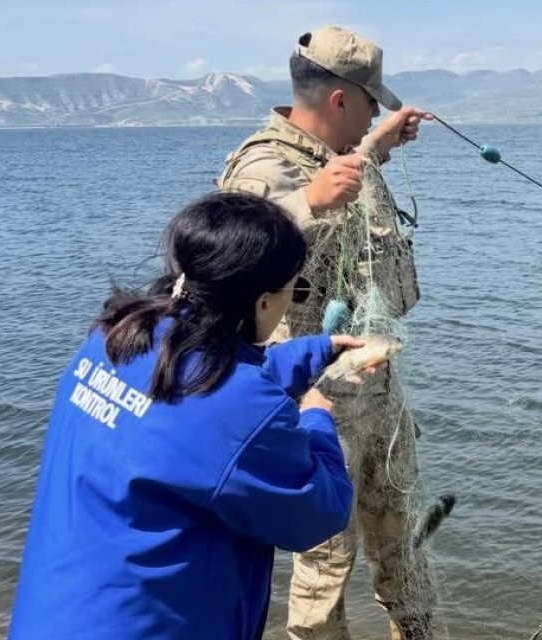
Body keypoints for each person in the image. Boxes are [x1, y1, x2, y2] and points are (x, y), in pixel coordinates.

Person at [8, 192, 363, 640]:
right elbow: (318, 512)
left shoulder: (117, 338)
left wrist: (318, 350)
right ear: (263, 303)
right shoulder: (237, 409)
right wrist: (316, 418)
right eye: (295, 289)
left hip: (53, 613)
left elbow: (199, 396)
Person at [217, 26, 436, 640]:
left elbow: (344, 188)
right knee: (325, 562)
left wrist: (376, 147)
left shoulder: (333, 156)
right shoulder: (261, 166)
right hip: (316, 403)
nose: (374, 116)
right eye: (370, 105)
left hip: (376, 392)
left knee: (404, 542)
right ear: (341, 100)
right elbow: (226, 259)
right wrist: (306, 202)